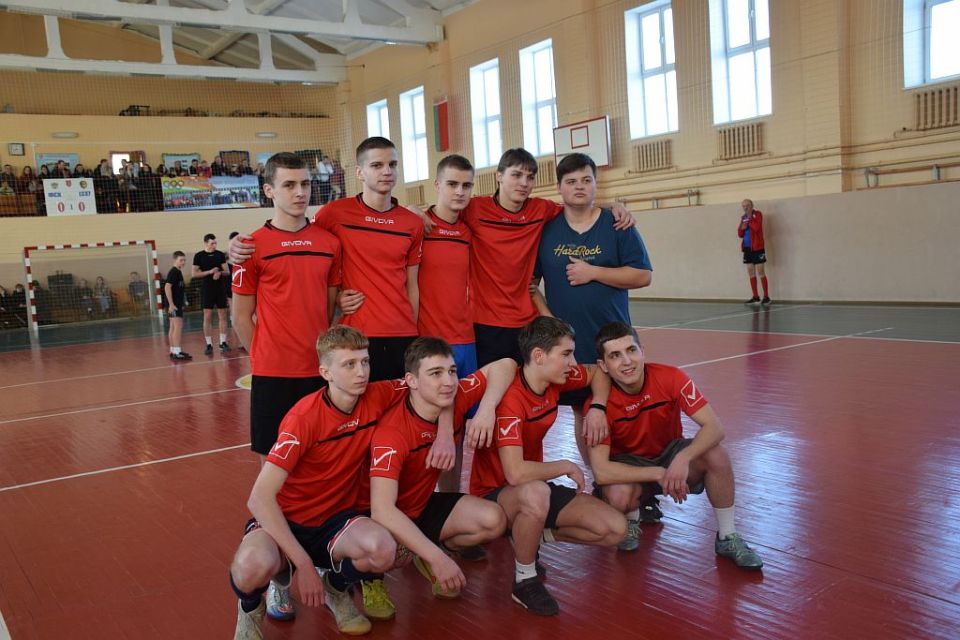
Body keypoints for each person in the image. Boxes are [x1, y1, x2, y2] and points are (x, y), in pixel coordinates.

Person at [229, 326, 405, 638]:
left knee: (383, 549)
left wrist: (446, 428)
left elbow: (423, 385)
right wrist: (304, 565)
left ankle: (334, 588)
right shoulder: (303, 419)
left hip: (335, 521)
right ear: (326, 372)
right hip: (287, 521)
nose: (361, 372)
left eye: (365, 362)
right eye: (349, 364)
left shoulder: (377, 395)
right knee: (250, 566)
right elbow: (259, 499)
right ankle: (250, 608)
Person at [469, 316, 626, 616]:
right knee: (536, 492)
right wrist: (565, 464)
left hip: (532, 491)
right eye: (566, 354)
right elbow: (515, 472)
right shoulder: (511, 399)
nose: (573, 363)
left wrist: (597, 407)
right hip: (494, 494)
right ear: (539, 356)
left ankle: (530, 535)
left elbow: (597, 373)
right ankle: (524, 580)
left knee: (615, 529)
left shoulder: (554, 379)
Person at [232, 137, 423, 382]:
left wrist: (418, 211)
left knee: (400, 405)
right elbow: (295, 233)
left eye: (392, 164)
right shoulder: (334, 213)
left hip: (403, 334)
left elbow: (412, 284)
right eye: (377, 165)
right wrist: (236, 244)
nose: (386, 171)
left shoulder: (412, 222)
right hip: (355, 336)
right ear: (359, 172)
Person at [586, 322, 764, 568]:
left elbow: (715, 427)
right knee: (618, 494)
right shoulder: (597, 409)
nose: (627, 361)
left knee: (716, 454)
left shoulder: (670, 377)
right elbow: (602, 472)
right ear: (604, 366)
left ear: (642, 351)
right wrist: (659, 473)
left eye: (631, 350)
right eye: (615, 356)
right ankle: (632, 520)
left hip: (669, 453)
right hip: (629, 465)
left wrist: (683, 458)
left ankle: (727, 536)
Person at [460, 148, 636, 368]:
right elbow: (444, 211)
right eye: (516, 175)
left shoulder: (541, 209)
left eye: (530, 177)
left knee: (532, 383)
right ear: (499, 176)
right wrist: (419, 212)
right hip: (488, 322)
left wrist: (614, 206)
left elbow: (578, 205)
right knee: (495, 383)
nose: (524, 183)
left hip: (529, 321)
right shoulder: (474, 209)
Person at [531, 152, 653, 466]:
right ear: (559, 187)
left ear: (596, 184)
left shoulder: (617, 224)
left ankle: (635, 477)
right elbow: (530, 285)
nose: (579, 187)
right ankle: (599, 477)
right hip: (571, 343)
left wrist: (594, 272)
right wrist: (549, 320)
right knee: (582, 412)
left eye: (586, 180)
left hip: (612, 338)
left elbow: (643, 275)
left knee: (623, 408)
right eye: (571, 181)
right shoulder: (547, 230)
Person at [368, 338, 514, 600]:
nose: (448, 382)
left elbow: (505, 365)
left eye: (452, 371)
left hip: (422, 507)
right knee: (387, 551)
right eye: (436, 373)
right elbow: (382, 510)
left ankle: (422, 549)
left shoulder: (454, 399)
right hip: (387, 518)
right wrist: (438, 558)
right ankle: (365, 580)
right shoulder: (392, 433)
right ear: (412, 381)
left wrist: (486, 410)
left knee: (494, 520)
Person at [192, 233, 231, 354]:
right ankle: (209, 344)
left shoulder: (220, 255)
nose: (214, 245)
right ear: (206, 243)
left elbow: (227, 271)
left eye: (215, 243)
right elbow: (194, 274)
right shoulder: (199, 256)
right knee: (207, 316)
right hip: (207, 289)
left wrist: (219, 272)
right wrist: (209, 272)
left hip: (220, 288)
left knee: (222, 315)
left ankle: (223, 342)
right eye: (212, 243)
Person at [738, 199, 771, 306]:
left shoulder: (757, 214)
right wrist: (742, 228)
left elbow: (756, 228)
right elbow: (740, 234)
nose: (745, 207)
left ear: (752, 205)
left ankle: (766, 297)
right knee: (751, 272)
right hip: (747, 249)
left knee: (761, 272)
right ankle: (755, 297)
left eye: (747, 205)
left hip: (757, 248)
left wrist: (749, 219)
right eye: (743, 206)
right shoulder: (743, 218)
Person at [164, 251, 191, 360]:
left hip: (176, 304)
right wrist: (171, 304)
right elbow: (167, 287)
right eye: (181, 260)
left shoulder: (178, 272)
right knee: (177, 327)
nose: (183, 262)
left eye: (184, 260)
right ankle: (177, 351)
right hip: (174, 305)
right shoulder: (174, 272)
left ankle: (173, 350)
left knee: (173, 327)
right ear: (175, 260)